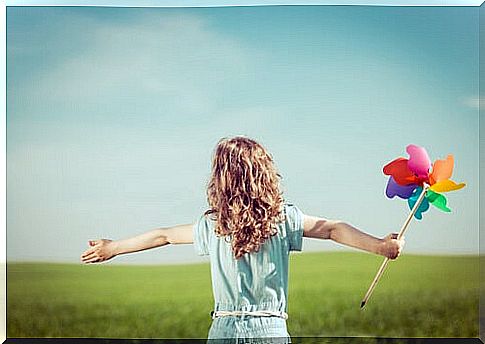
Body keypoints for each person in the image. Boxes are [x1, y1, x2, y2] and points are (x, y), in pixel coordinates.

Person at [80, 136, 404, 343]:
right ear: (264, 174)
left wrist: (114, 248)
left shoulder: (214, 225)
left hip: (223, 329)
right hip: (271, 330)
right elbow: (332, 228)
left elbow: (163, 235)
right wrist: (379, 245)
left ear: (220, 179)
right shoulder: (282, 218)